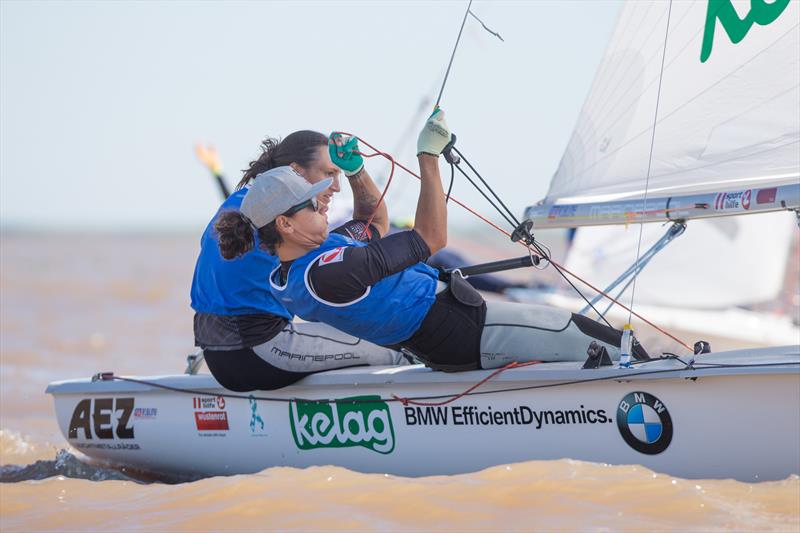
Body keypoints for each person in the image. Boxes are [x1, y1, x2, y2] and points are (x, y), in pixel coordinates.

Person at [216, 111, 648, 372]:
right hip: (467, 333)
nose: (326, 205)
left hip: (454, 332)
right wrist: (428, 159)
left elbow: (373, 219)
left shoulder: (302, 266)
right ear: (286, 226)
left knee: (593, 338)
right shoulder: (330, 273)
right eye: (313, 205)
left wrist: (355, 172)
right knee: (592, 334)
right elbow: (431, 237)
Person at [191, 131, 406, 391]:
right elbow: (376, 224)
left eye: (339, 175)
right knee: (393, 344)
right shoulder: (291, 228)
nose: (336, 187)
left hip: (218, 358)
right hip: (259, 354)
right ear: (295, 171)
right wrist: (357, 171)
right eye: (329, 174)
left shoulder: (237, 205)